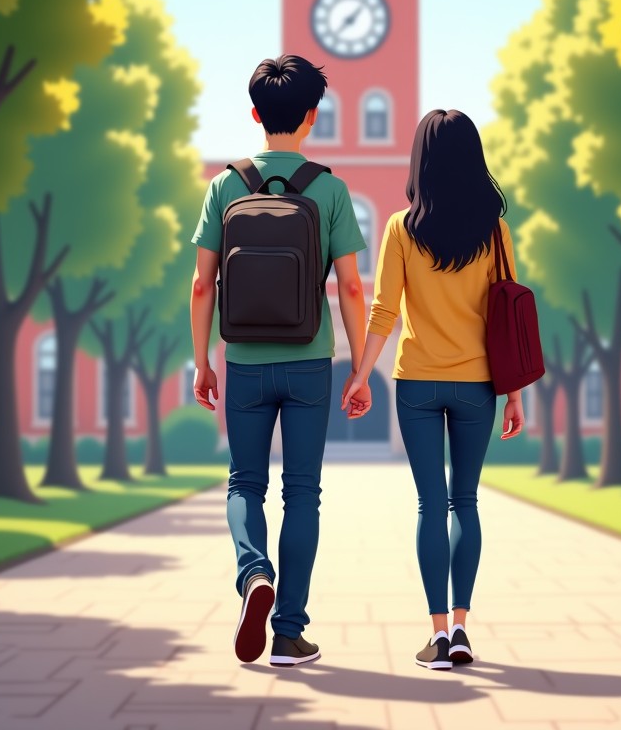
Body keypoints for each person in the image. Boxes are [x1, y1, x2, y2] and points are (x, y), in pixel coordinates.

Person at [190, 54, 369, 668]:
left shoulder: (225, 186)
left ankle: (253, 575)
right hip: (309, 360)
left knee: (245, 482)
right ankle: (289, 633)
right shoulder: (331, 189)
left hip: (242, 359)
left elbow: (202, 284)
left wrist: (202, 361)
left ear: (255, 114)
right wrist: (360, 367)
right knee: (302, 493)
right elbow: (351, 287)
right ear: (312, 116)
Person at [341, 109, 525, 671]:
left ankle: (439, 635)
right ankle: (465, 628)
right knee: (464, 501)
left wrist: (361, 374)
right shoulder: (494, 232)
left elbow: (383, 310)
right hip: (478, 383)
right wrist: (515, 394)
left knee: (430, 503)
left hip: (417, 382)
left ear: (420, 160)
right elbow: (509, 312)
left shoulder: (401, 228)